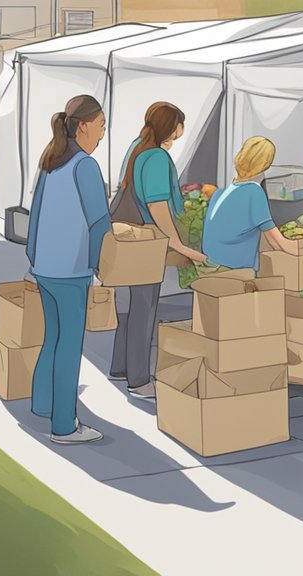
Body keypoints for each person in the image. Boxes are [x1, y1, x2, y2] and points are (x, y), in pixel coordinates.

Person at [25, 96, 112, 444]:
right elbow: (100, 222)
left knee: (53, 337)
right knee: (69, 345)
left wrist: (33, 259)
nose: (103, 133)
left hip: (45, 267)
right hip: (72, 271)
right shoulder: (85, 166)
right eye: (102, 125)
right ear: (83, 126)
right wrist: (100, 265)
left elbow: (36, 214)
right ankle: (64, 426)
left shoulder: (52, 162)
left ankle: (42, 403)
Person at [109, 102, 206, 400]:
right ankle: (138, 381)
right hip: (148, 240)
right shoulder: (157, 157)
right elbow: (157, 205)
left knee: (132, 304)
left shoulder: (138, 146)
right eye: (180, 124)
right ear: (171, 127)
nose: (182, 130)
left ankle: (121, 366)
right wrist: (177, 244)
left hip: (130, 235)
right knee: (144, 307)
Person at [203, 137, 299, 270]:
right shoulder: (253, 192)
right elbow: (279, 243)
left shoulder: (220, 193)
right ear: (265, 164)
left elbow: (272, 241)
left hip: (212, 264)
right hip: (235, 269)